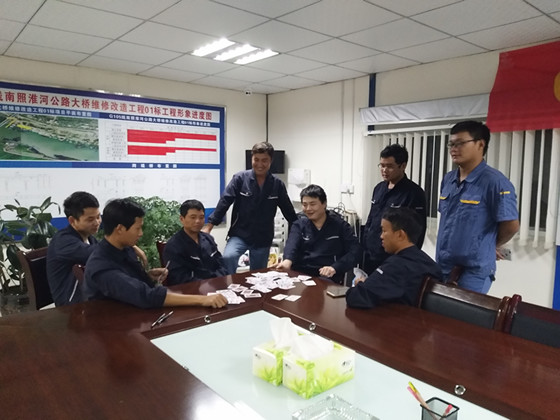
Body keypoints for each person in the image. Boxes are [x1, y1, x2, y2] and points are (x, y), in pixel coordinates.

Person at [83, 198, 227, 309]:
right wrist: (203, 300)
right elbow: (146, 295)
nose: (141, 233)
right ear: (120, 229)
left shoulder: (125, 248)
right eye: (138, 228)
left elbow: (131, 282)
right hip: (112, 325)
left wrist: (148, 276)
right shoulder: (102, 266)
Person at [436, 120, 519, 294]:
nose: (453, 149)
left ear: (480, 144)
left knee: (461, 312)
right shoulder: (449, 179)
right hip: (443, 265)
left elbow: (511, 225)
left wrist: (488, 245)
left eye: (460, 143)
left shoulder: (496, 182)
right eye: (451, 144)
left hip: (473, 272)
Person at [203, 142, 297, 274]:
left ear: (271, 161)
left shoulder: (277, 184)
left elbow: (289, 212)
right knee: (228, 257)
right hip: (240, 234)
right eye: (256, 159)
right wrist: (209, 227)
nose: (260, 164)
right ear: (251, 159)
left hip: (263, 237)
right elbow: (225, 201)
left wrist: (299, 231)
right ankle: (226, 285)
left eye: (264, 160)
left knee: (258, 275)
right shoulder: (240, 179)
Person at [346, 207, 442, 309]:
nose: (381, 236)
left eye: (384, 231)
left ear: (400, 235)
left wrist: (360, 283)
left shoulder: (396, 266)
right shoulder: (431, 265)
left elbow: (355, 296)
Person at [273, 184, 361, 284]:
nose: (308, 208)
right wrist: (287, 261)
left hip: (328, 276)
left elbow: (355, 251)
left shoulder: (340, 226)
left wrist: (335, 267)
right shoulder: (299, 225)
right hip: (301, 275)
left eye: (312, 204)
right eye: (305, 205)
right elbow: (292, 245)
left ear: (324, 204)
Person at [361, 144, 426, 274]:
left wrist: (406, 259)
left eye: (389, 166)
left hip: (393, 258)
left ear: (403, 166)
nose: (384, 170)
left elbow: (417, 231)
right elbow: (371, 219)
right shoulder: (379, 188)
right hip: (371, 255)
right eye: (382, 165)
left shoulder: (414, 193)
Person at [47, 191, 101, 306]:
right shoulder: (63, 240)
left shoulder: (89, 237)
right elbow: (96, 254)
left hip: (86, 298)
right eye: (90, 219)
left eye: (98, 217)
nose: (97, 222)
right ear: (72, 221)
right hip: (70, 307)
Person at [163, 199, 228, 285]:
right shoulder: (173, 246)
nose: (198, 221)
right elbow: (179, 278)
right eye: (193, 217)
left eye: (201, 217)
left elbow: (221, 265)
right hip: (191, 289)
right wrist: (206, 284)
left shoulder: (208, 239)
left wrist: (216, 281)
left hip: (215, 285)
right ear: (182, 219)